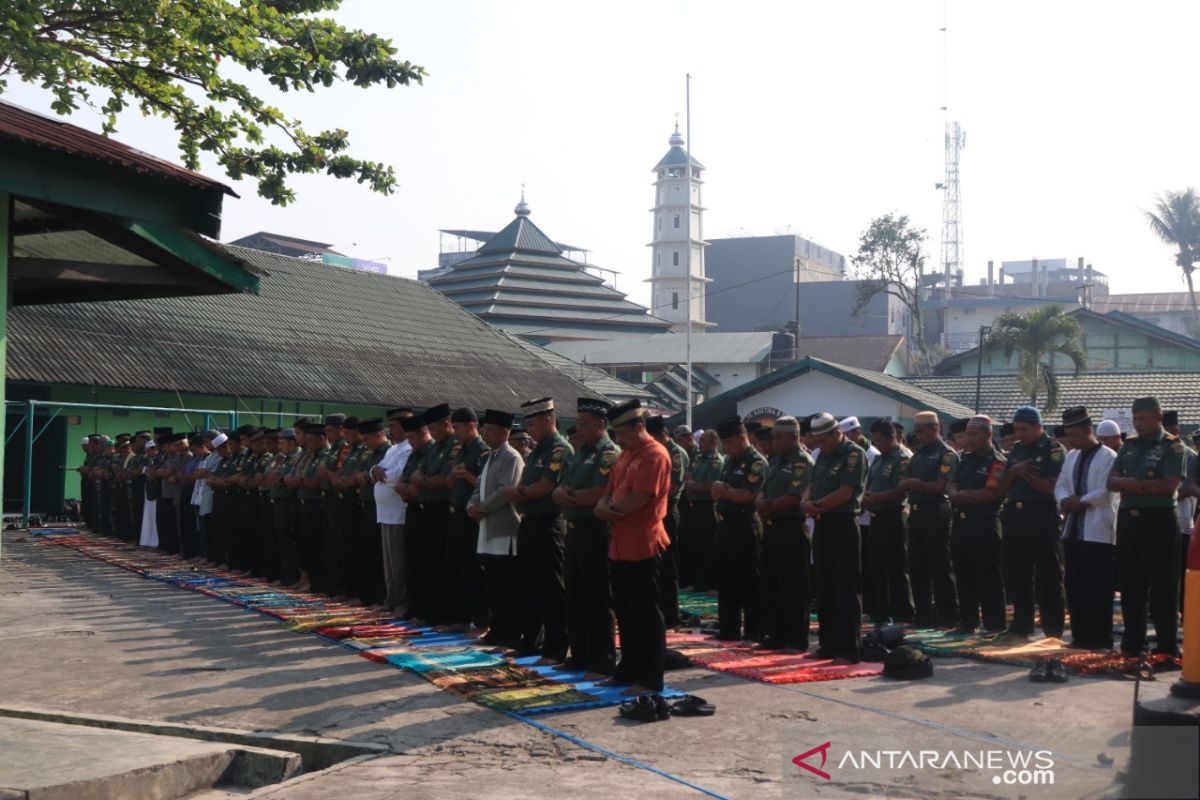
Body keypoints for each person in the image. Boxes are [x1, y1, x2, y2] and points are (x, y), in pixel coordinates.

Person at [596, 399, 672, 695]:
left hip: (644, 545)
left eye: (623, 434)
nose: (619, 440)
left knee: (647, 615)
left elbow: (640, 498)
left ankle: (650, 678)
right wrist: (605, 507)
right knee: (625, 612)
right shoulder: (625, 455)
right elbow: (608, 491)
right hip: (619, 545)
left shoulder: (655, 455)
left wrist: (608, 511)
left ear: (639, 427)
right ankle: (627, 669)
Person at [1107, 396, 1185, 657]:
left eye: (1143, 419)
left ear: (1158, 418)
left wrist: (1130, 484)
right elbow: (1111, 481)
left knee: (1163, 587)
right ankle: (1132, 644)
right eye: (1135, 419)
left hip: (1159, 521)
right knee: (1131, 585)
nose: (1138, 424)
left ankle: (1166, 648)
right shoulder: (1128, 446)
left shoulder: (1172, 447)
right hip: (1129, 520)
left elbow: (1168, 485)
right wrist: (1137, 484)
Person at [553, 398, 618, 678]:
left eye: (584, 423)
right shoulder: (579, 452)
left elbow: (602, 491)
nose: (578, 428)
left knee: (597, 597)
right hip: (575, 529)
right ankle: (579, 655)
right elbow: (558, 489)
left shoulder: (607, 453)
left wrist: (572, 497)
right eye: (577, 422)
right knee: (575, 595)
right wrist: (565, 496)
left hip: (595, 530)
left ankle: (601, 661)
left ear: (602, 424)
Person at [508, 397, 573, 664]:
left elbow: (544, 486)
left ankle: (556, 647)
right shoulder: (536, 452)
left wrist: (521, 492)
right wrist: (522, 493)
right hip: (530, 522)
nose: (529, 429)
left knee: (551, 588)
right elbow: (525, 485)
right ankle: (531, 641)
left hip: (550, 524)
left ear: (549, 420)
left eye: (532, 423)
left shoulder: (559, 449)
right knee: (529, 586)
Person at [800, 412, 868, 663]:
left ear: (836, 433)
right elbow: (812, 484)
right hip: (822, 523)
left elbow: (845, 491)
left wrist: (815, 506)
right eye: (816, 441)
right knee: (824, 586)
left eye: (823, 440)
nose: (819, 445)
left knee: (846, 588)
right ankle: (828, 645)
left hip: (843, 523)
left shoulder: (853, 454)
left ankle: (849, 649)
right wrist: (806, 502)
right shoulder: (822, 455)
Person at [998, 406, 1067, 640]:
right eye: (1016, 429)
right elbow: (1001, 487)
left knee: (1048, 574)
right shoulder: (1017, 451)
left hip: (1041, 514)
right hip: (1015, 515)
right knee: (1018, 573)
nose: (1019, 434)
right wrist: (1016, 471)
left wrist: (1031, 478)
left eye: (1024, 429)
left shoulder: (1053, 449)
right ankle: (1021, 625)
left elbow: (1053, 486)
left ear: (1038, 427)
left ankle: (1052, 630)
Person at [1053, 407, 1118, 650]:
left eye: (1074, 435)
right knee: (1075, 584)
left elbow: (1105, 491)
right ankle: (1080, 636)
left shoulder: (1108, 456)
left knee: (1097, 586)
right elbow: (1060, 485)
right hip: (1072, 529)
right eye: (1068, 436)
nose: (1070, 441)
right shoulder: (1071, 456)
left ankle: (1100, 638)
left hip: (1097, 531)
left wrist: (1080, 501)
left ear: (1087, 431)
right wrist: (1064, 501)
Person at [468, 409, 525, 650]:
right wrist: (470, 505)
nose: (485, 434)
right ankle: (496, 630)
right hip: (487, 526)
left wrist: (483, 507)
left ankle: (509, 634)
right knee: (492, 584)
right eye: (485, 429)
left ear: (504, 432)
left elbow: (505, 490)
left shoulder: (511, 457)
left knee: (505, 585)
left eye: (490, 430)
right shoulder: (489, 456)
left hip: (504, 527)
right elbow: (478, 486)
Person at [755, 416, 813, 652]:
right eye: (774, 438)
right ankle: (776, 635)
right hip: (772, 527)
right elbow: (762, 490)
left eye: (779, 438)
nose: (775, 442)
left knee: (794, 587)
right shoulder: (775, 461)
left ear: (794, 437)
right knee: (773, 584)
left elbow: (793, 497)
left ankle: (796, 640)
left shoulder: (802, 462)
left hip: (792, 527)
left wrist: (766, 505)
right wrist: (761, 502)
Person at [897, 412, 959, 628]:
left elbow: (940, 486)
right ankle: (923, 616)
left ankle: (947, 616)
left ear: (935, 429)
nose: (918, 436)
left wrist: (915, 484)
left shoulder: (946, 454)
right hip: (916, 512)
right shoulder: (919, 454)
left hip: (936, 511)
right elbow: (904, 480)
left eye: (922, 432)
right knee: (917, 566)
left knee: (939, 566)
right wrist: (911, 483)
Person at [947, 415, 1007, 634]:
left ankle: (994, 624)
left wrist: (962, 495)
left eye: (974, 434)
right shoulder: (966, 459)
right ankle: (968, 621)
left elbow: (991, 493)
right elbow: (952, 484)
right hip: (962, 523)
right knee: (963, 573)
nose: (969, 439)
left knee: (988, 575)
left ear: (988, 434)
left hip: (984, 523)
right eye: (968, 434)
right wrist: (958, 494)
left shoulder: (997, 461)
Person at [711, 416, 768, 642]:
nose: (726, 447)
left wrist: (723, 490)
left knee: (749, 581)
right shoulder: (730, 461)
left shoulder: (755, 461)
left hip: (746, 524)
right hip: (726, 524)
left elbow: (745, 495)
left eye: (729, 443)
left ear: (742, 437)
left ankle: (755, 630)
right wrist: (725, 491)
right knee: (727, 580)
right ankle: (729, 628)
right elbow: (722, 491)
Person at [863, 419, 916, 625]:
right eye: (874, 440)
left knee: (896, 567)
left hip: (894, 516)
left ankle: (903, 612)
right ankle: (881, 611)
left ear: (892, 437)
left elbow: (899, 490)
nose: (876, 444)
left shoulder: (902, 458)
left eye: (879, 440)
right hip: (876, 516)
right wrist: (867, 497)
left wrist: (874, 497)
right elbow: (870, 483)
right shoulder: (879, 458)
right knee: (877, 567)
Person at [447, 408, 488, 633]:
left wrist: (466, 475)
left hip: (471, 517)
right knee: (456, 567)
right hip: (456, 514)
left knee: (474, 570)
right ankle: (462, 617)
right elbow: (450, 482)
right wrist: (455, 474)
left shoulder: (481, 451)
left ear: (472, 425)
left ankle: (481, 620)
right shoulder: (460, 450)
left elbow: (484, 485)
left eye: (458, 428)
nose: (455, 432)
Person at [647, 415, 688, 628]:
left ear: (662, 434)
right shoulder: (655, 452)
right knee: (657, 565)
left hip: (668, 510)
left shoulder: (675, 453)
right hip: (655, 511)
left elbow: (672, 487)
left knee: (668, 567)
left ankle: (671, 615)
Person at [374, 408, 415, 614]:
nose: (390, 430)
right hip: (384, 512)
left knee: (399, 562)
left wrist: (380, 473)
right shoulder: (392, 449)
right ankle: (391, 599)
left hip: (398, 512)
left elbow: (394, 476)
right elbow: (375, 470)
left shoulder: (408, 448)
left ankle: (400, 601)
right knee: (388, 563)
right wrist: (378, 472)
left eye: (394, 426)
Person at [841, 416, 880, 621]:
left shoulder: (871, 454)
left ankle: (871, 606)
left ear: (857, 433)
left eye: (848, 435)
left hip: (869, 515)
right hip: (858, 515)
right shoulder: (847, 453)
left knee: (869, 563)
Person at [397, 413, 434, 621]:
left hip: (425, 510)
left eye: (411, 438)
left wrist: (414, 487)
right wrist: (407, 487)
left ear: (423, 434)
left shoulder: (432, 451)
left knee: (424, 562)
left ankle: (427, 610)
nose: (409, 442)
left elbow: (425, 482)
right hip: (411, 509)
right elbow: (404, 480)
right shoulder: (414, 454)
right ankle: (415, 607)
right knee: (411, 560)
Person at [684, 429, 723, 593]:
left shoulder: (716, 461)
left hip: (708, 506)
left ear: (714, 443)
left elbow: (712, 484)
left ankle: (713, 583)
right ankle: (699, 582)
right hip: (695, 506)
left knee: (710, 546)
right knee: (696, 545)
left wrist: (696, 487)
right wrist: (693, 486)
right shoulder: (698, 459)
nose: (700, 443)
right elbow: (689, 476)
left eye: (704, 441)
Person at [138, 438, 161, 548]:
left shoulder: (158, 459)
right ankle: (148, 541)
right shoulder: (149, 460)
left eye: (149, 450)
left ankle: (154, 541)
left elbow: (152, 472)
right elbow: (143, 470)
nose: (147, 453)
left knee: (155, 518)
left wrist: (148, 471)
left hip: (156, 491)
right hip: (149, 490)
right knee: (148, 517)